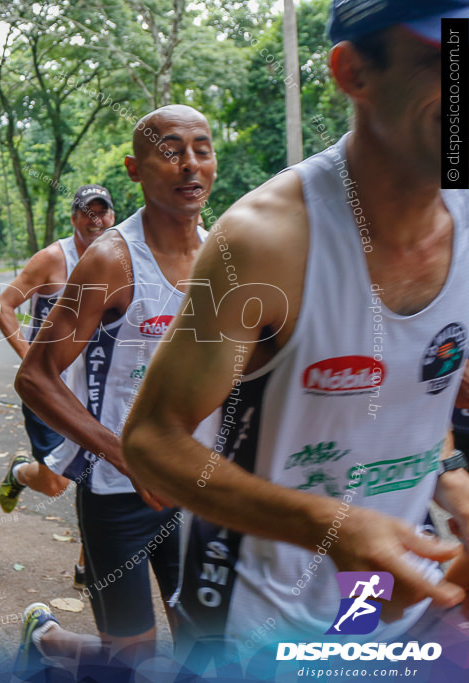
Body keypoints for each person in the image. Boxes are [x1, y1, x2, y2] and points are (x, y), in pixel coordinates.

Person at [121, 0, 469, 657]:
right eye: (439, 59)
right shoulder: (266, 241)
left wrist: (451, 472)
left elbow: (422, 372)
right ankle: (58, 649)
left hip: (384, 592)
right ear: (352, 72)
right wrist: (328, 526)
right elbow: (149, 440)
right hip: (252, 608)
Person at [13, 105, 216, 671]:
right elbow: (34, 376)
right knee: (132, 661)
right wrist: (126, 457)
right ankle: (45, 637)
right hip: (118, 492)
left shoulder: (227, 251)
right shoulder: (111, 260)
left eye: (202, 148)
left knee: (206, 651)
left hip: (201, 489)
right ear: (135, 167)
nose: (189, 165)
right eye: (170, 151)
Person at [0, 184, 116, 588]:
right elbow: (3, 306)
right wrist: (32, 358)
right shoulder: (52, 258)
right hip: (51, 388)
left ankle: (87, 563)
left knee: (96, 471)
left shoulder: (120, 257)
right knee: (56, 482)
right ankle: (21, 473)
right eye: (87, 212)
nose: (95, 220)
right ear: (74, 217)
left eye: (103, 212)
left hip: (97, 385)